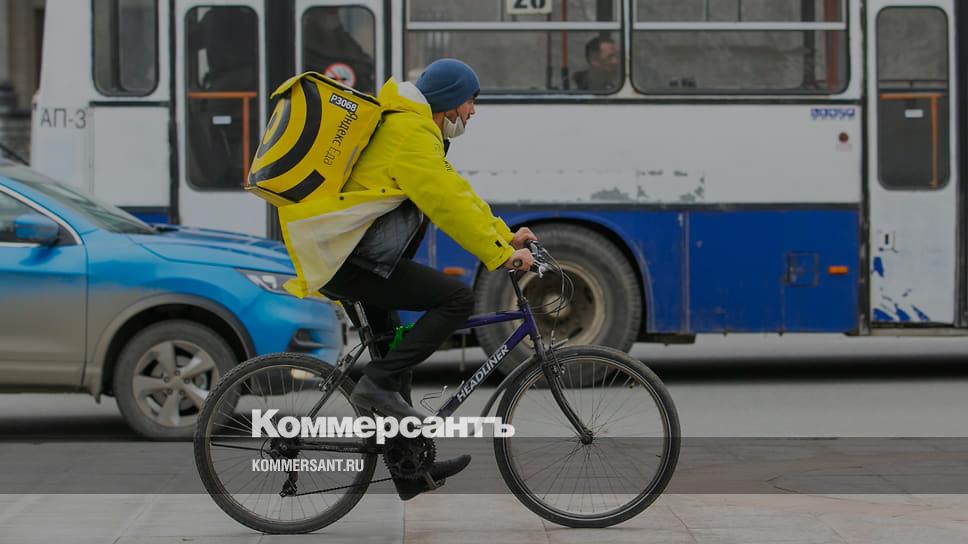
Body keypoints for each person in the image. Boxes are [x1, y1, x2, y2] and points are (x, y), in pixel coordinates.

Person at [316, 58, 537, 499]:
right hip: (353, 262)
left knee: (396, 354)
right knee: (455, 299)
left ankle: (410, 470)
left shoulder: (418, 131)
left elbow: (458, 193)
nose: (472, 111)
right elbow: (445, 205)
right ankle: (374, 384)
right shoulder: (410, 134)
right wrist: (499, 256)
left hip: (356, 259)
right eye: (471, 101)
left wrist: (505, 236)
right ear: (450, 100)